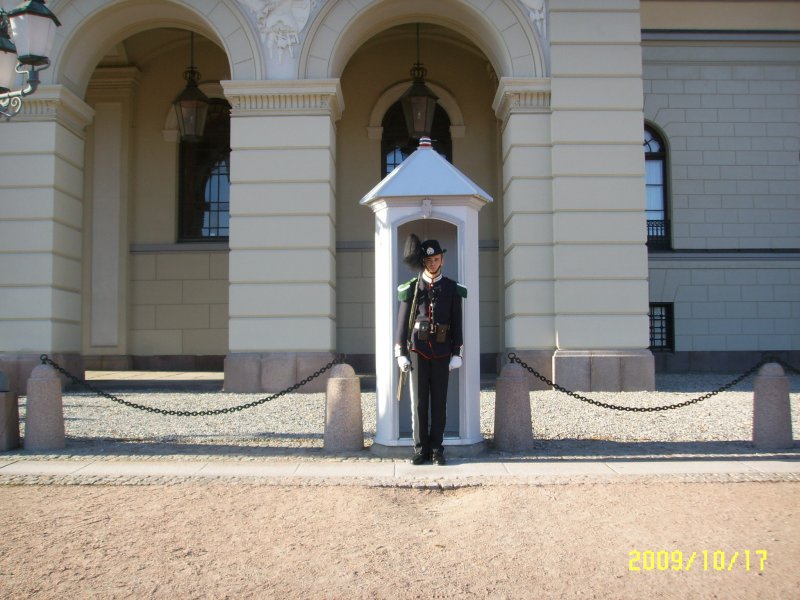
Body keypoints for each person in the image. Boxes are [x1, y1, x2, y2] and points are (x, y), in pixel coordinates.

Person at [395, 235, 466, 466]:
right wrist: (401, 352)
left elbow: (456, 322)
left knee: (439, 402)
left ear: (442, 260)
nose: (433, 263)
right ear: (423, 262)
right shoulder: (413, 287)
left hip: (443, 351)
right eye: (428, 260)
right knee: (419, 403)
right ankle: (420, 448)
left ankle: (437, 449)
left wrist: (457, 352)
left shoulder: (452, 288)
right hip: (418, 350)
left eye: (436, 259)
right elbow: (402, 322)